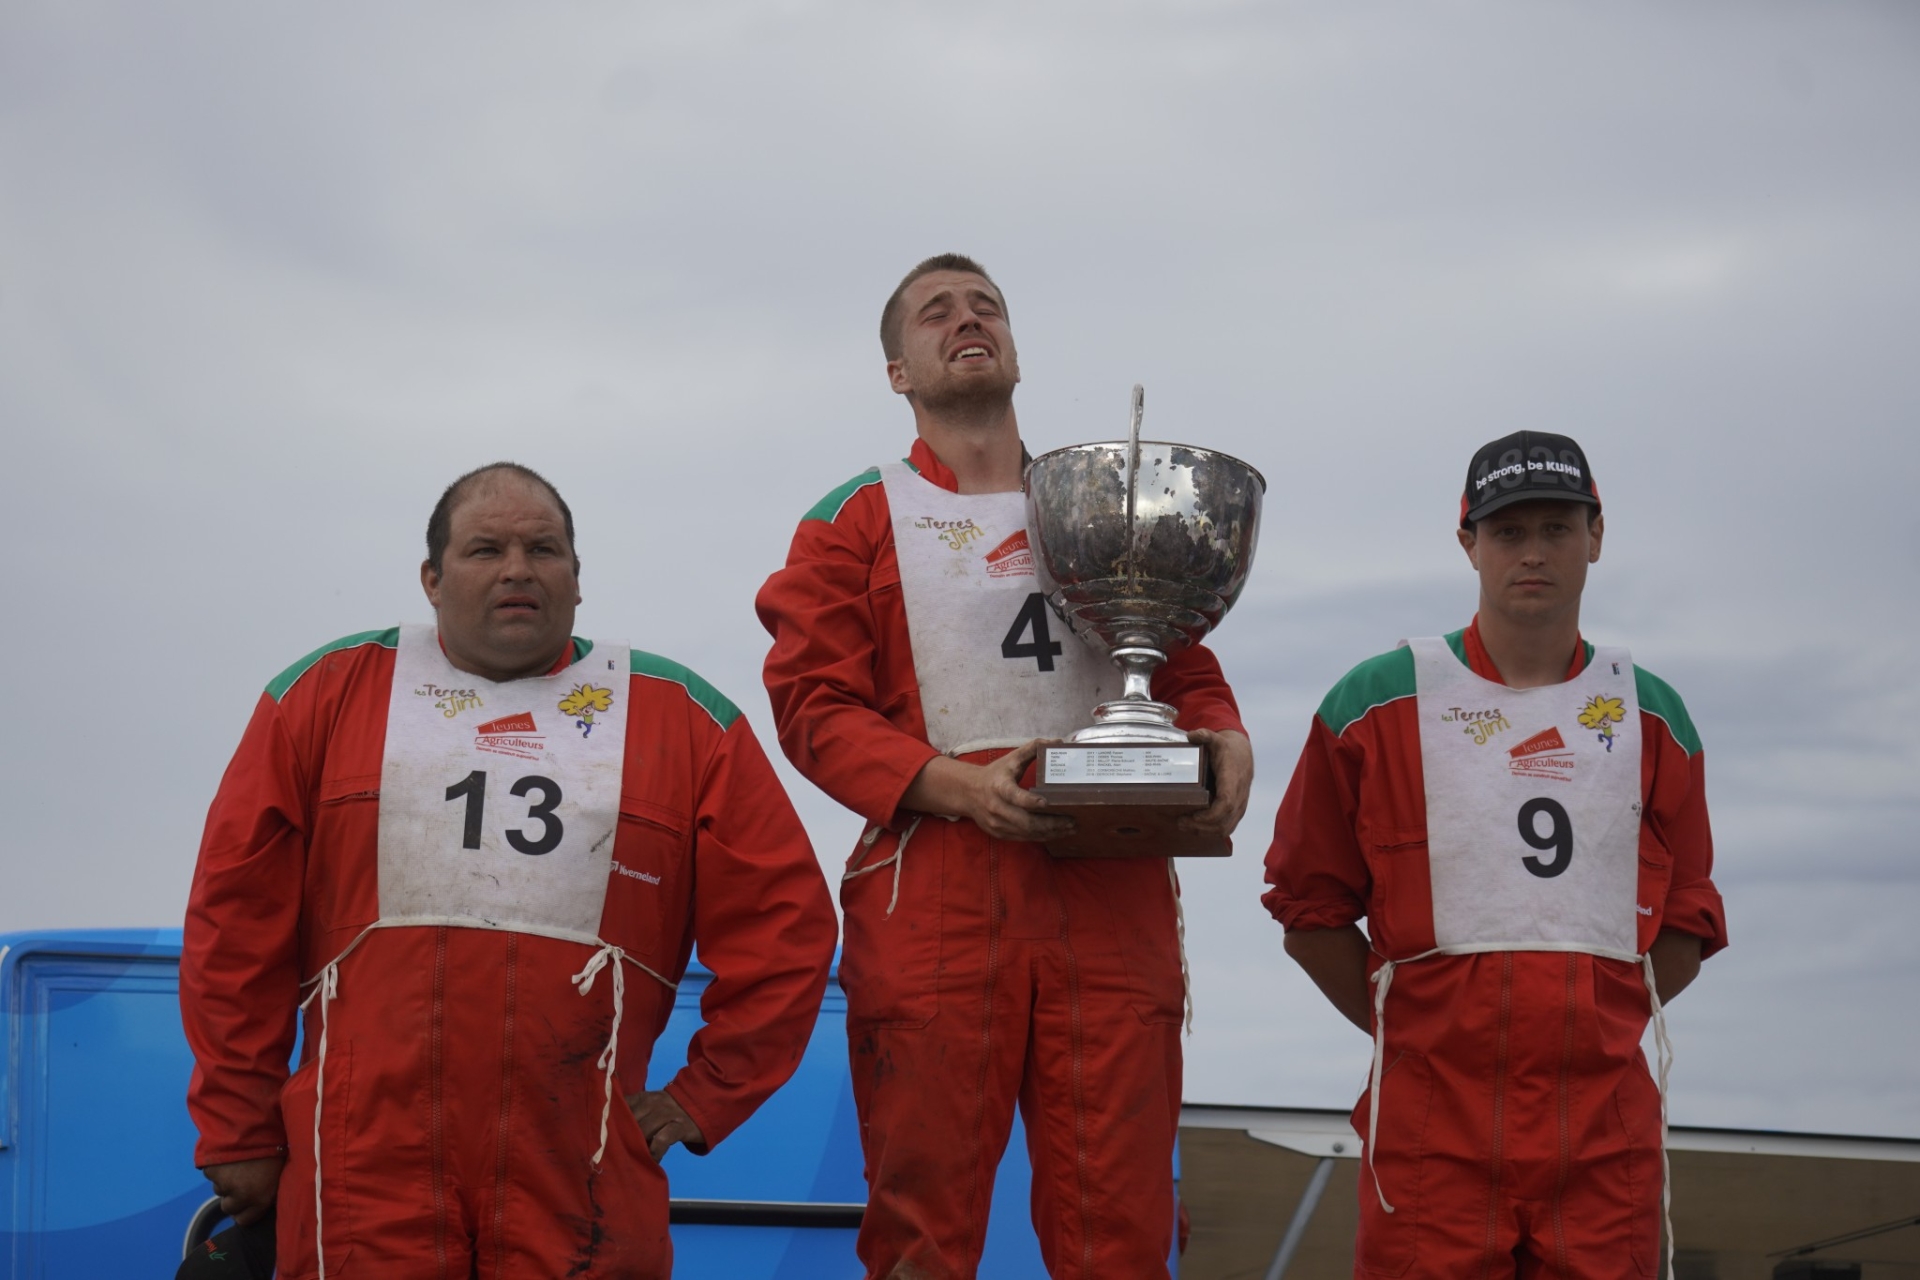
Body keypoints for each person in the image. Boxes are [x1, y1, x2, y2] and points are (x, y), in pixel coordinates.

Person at [181, 462, 837, 1280]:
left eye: (544, 549)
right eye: (485, 549)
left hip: (583, 1168)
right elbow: (233, 927)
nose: (517, 570)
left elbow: (789, 931)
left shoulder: (686, 720)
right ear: (431, 578)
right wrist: (238, 1125)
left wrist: (702, 1099)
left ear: (577, 578)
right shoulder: (323, 696)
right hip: (363, 1164)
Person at [756, 253, 1254, 1279]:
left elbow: (1181, 652)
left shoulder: (1106, 499)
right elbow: (813, 703)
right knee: (922, 1221)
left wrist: (1223, 735)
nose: (966, 319)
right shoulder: (855, 517)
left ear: (1015, 348)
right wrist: (957, 787)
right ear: (899, 369)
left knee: (1123, 1222)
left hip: (1111, 874)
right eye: (935, 313)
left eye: (987, 305)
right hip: (937, 878)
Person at [1263, 431, 1728, 1278]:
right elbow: (1307, 908)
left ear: (1596, 535)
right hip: (1429, 1124)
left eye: (1557, 528)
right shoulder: (1373, 701)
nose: (1534, 554)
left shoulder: (1655, 714)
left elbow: (1689, 920)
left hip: (1604, 1125)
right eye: (1509, 533)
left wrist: (1595, 1024)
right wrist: (1412, 1029)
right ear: (1468, 543)